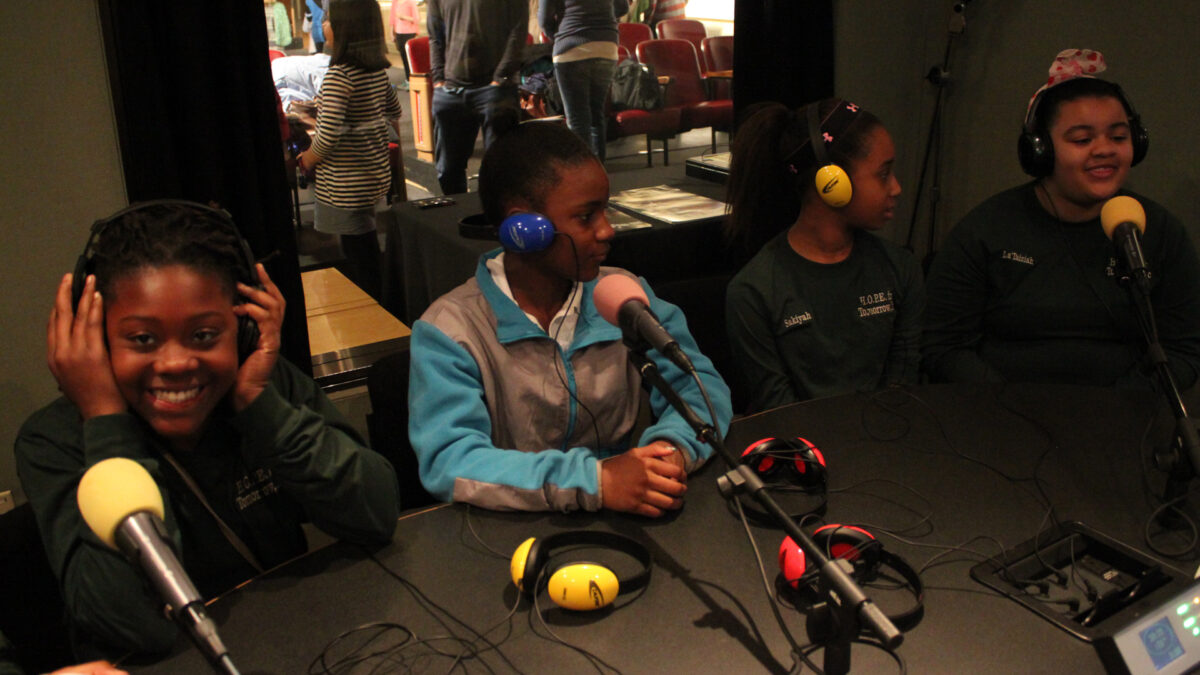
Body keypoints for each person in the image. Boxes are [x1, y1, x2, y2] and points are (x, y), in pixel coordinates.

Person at [16, 201, 400, 658]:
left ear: (241, 330)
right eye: (142, 339)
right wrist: (105, 422)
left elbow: (375, 513)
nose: (176, 363)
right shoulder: (54, 441)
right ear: (96, 337)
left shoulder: (261, 383)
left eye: (203, 335)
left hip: (291, 643)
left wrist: (260, 404)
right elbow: (140, 629)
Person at [408, 122, 732, 516]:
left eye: (605, 210)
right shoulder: (450, 330)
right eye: (586, 217)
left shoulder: (625, 296)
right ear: (524, 229)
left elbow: (699, 386)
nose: (607, 230)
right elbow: (451, 460)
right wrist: (595, 481)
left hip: (627, 514)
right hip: (513, 531)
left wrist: (672, 451)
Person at [922, 49, 1200, 389]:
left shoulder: (1159, 231)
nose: (1104, 149)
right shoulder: (985, 230)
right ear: (1040, 150)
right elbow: (943, 347)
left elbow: (1184, 348)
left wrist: (1115, 410)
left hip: (1125, 424)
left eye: (1118, 137)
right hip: (1002, 422)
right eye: (1082, 139)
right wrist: (1010, 406)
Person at [723, 99, 924, 412]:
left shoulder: (901, 269)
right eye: (883, 174)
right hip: (806, 452)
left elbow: (902, 389)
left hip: (888, 443)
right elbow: (779, 409)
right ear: (832, 184)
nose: (896, 188)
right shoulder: (753, 292)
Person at [297, 0, 401, 301]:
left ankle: (376, 312)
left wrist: (307, 159)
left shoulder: (339, 76)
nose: (323, 23)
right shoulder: (376, 71)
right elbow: (393, 110)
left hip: (346, 182)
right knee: (366, 244)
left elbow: (326, 137)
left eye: (328, 18)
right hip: (373, 174)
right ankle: (382, 304)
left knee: (358, 254)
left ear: (344, 28)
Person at [426, 0, 528, 195]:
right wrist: (438, 78)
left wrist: (501, 77)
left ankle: (495, 220)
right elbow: (435, 34)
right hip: (451, 89)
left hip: (494, 89)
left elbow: (518, 30)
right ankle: (460, 217)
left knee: (499, 170)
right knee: (447, 171)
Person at [538, 0, 630, 161]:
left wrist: (561, 36)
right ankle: (599, 172)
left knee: (577, 119)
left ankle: (584, 175)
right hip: (606, 46)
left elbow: (544, 20)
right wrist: (599, 21)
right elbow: (622, 7)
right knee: (597, 115)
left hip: (571, 48)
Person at [390, 0, 419, 88]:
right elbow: (392, 19)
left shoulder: (410, 2)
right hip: (399, 33)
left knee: (409, 58)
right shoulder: (395, 2)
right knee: (403, 57)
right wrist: (391, 33)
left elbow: (416, 19)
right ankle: (407, 79)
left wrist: (403, 17)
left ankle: (412, 80)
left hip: (409, 33)